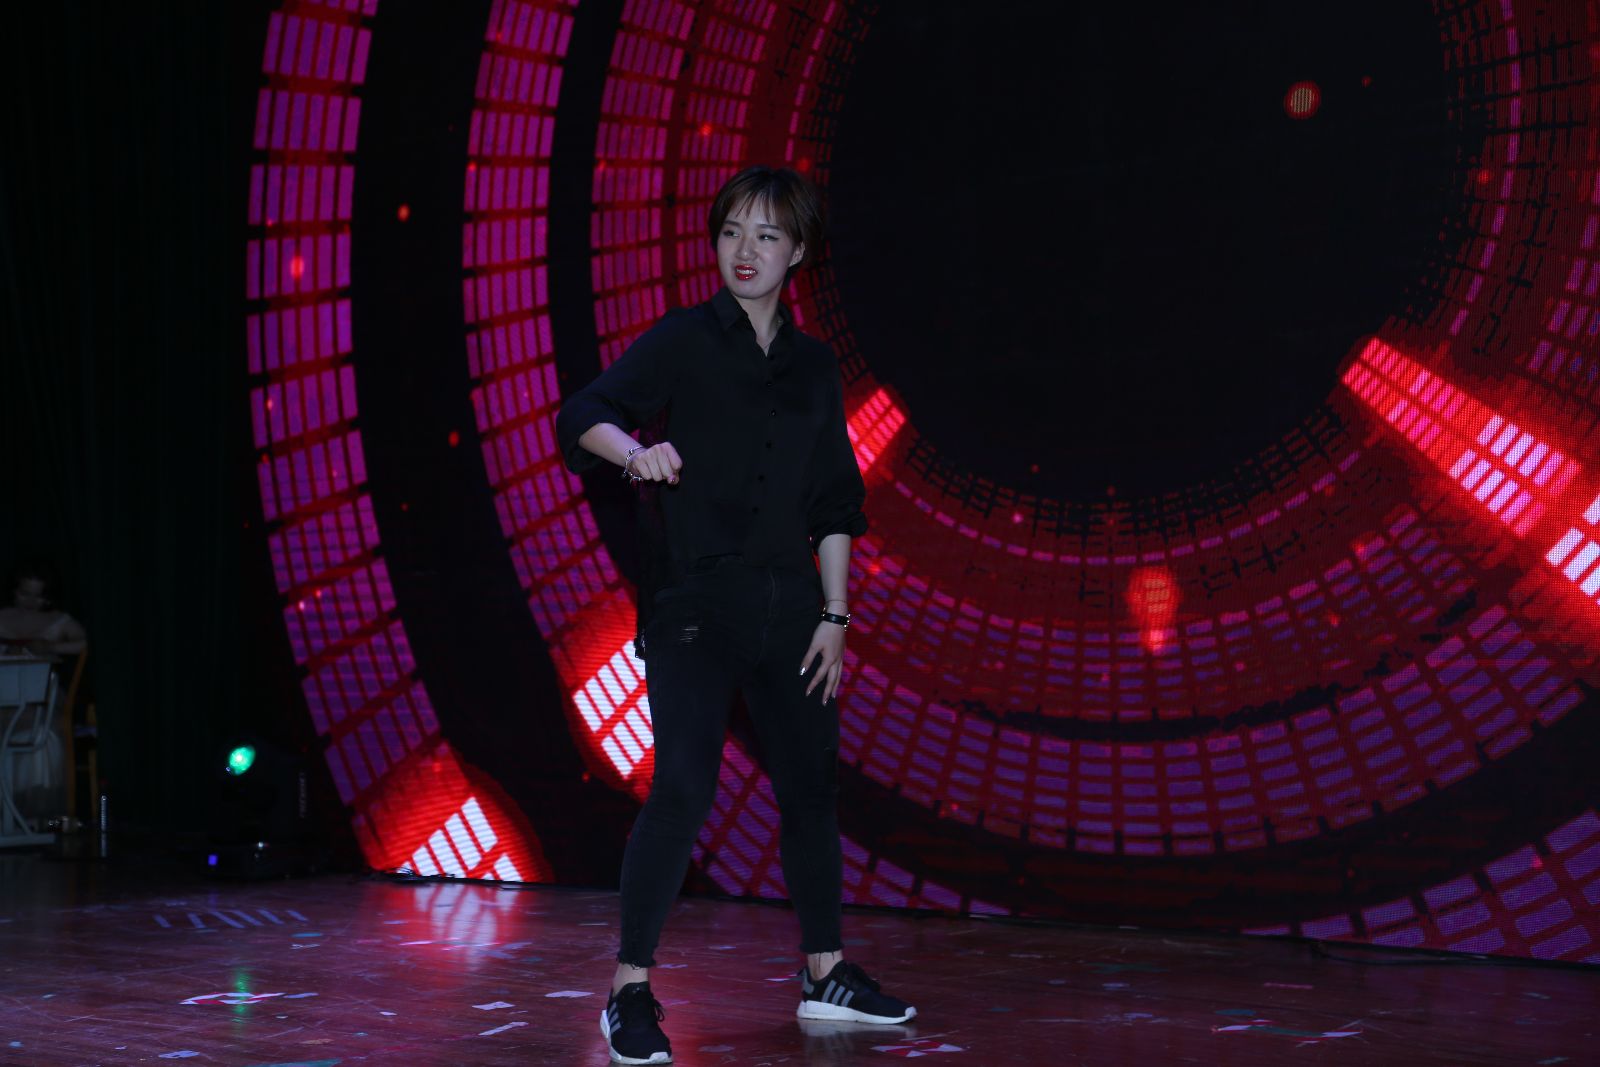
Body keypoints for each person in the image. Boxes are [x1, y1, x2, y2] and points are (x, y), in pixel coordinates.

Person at [558, 166, 916, 1065]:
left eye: (765, 236)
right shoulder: (684, 339)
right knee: (682, 786)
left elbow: (835, 501)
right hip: (695, 603)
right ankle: (628, 989)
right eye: (730, 233)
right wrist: (634, 453)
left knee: (810, 790)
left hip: (792, 607)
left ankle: (825, 974)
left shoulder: (815, 365)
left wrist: (836, 614)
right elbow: (585, 413)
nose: (744, 251)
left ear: (798, 253)